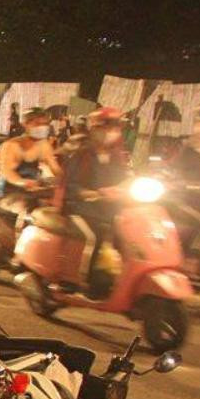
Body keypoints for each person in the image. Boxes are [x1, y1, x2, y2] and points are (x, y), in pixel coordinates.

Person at [61, 107, 131, 293]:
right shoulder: (81, 153)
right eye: (106, 127)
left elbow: (125, 178)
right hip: (82, 208)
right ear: (94, 129)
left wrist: (125, 187)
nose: (111, 132)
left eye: (116, 127)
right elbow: (72, 186)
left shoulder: (117, 156)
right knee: (97, 235)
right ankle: (86, 282)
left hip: (111, 208)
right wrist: (95, 194)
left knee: (132, 234)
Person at [0, 107, 61, 204]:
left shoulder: (44, 145)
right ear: (25, 124)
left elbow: (55, 168)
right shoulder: (11, 146)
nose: (42, 127)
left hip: (31, 192)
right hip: (9, 193)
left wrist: (65, 180)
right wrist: (24, 182)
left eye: (45, 124)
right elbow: (8, 173)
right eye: (37, 124)